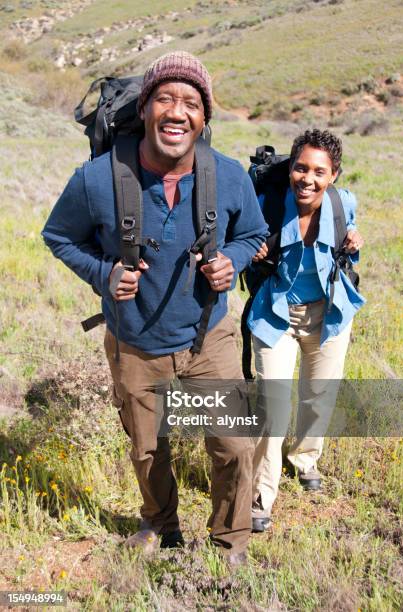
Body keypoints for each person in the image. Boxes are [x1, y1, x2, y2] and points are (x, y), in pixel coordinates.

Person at [42, 51, 268, 564]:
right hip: (134, 340)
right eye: (164, 97)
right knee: (148, 449)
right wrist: (105, 273)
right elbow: (58, 236)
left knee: (233, 444)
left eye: (191, 102)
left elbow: (253, 231)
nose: (177, 111)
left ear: (204, 118)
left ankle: (229, 541)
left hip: (207, 336)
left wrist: (230, 259)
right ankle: (160, 525)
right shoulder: (97, 179)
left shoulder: (229, 177)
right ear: (145, 108)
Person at [247, 129, 366, 532]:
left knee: (319, 394)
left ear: (333, 175)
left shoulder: (342, 202)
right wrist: (253, 250)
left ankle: (305, 459)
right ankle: (261, 494)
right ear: (290, 167)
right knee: (272, 408)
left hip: (329, 313)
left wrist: (354, 240)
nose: (307, 179)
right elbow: (239, 244)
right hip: (276, 313)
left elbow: (351, 245)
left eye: (319, 171)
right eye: (300, 168)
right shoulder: (267, 203)